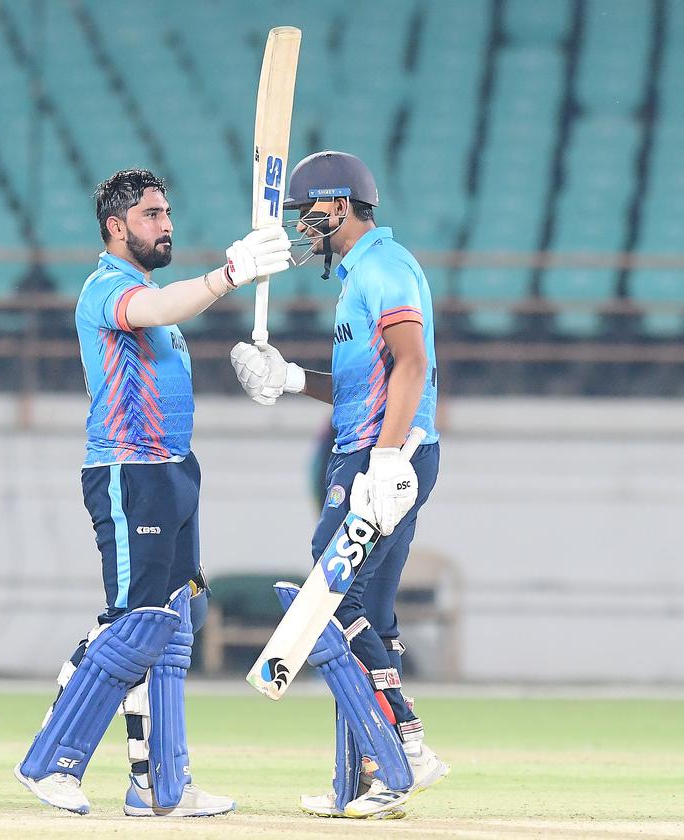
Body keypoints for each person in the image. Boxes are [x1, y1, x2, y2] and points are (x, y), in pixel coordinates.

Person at [14, 168, 290, 817]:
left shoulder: (147, 288)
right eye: (151, 214)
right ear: (116, 227)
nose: (166, 224)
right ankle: (50, 761)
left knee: (175, 627)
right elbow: (160, 310)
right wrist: (230, 274)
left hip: (174, 471)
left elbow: (165, 321)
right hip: (127, 473)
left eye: (166, 213)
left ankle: (162, 787)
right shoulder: (108, 290)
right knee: (135, 624)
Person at [230, 150, 448, 819]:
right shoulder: (358, 276)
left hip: (384, 456)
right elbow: (363, 386)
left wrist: (386, 461)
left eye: (310, 211)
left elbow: (412, 365)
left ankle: (404, 745)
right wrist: (293, 380)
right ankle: (364, 781)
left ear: (342, 205)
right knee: (370, 616)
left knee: (330, 594)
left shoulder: (384, 267)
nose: (304, 224)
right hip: (376, 448)